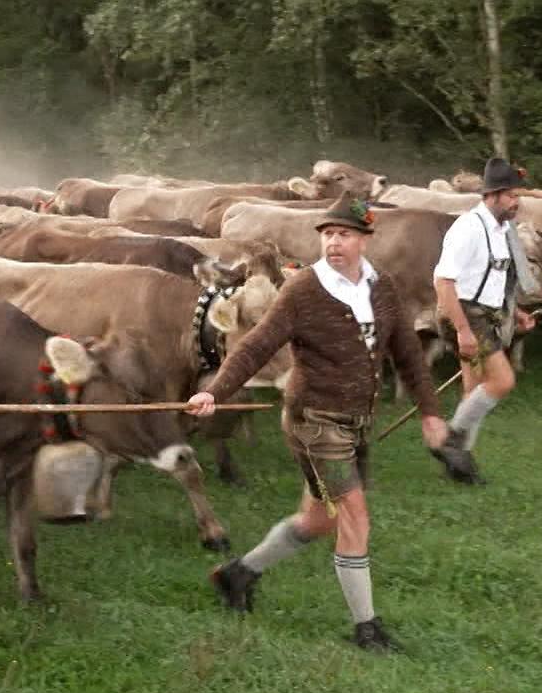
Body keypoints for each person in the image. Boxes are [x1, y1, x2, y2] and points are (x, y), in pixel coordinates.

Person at [185, 198, 457, 651]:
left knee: (317, 520)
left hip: (355, 422)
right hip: (314, 422)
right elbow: (256, 345)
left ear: (365, 239)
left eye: (345, 233)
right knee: (354, 516)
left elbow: (408, 355)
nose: (334, 241)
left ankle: (237, 574)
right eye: (327, 233)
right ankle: (366, 628)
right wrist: (217, 391)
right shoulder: (304, 290)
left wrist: (430, 412)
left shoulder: (382, 288)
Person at [431, 156, 538, 485]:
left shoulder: (502, 229)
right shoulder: (468, 228)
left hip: (485, 315)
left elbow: (492, 278)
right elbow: (443, 282)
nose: (516, 202)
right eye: (511, 195)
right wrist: (462, 330)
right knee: (503, 381)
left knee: (474, 391)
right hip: (462, 314)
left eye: (517, 196)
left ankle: (460, 467)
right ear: (492, 195)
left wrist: (514, 312)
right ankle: (449, 440)